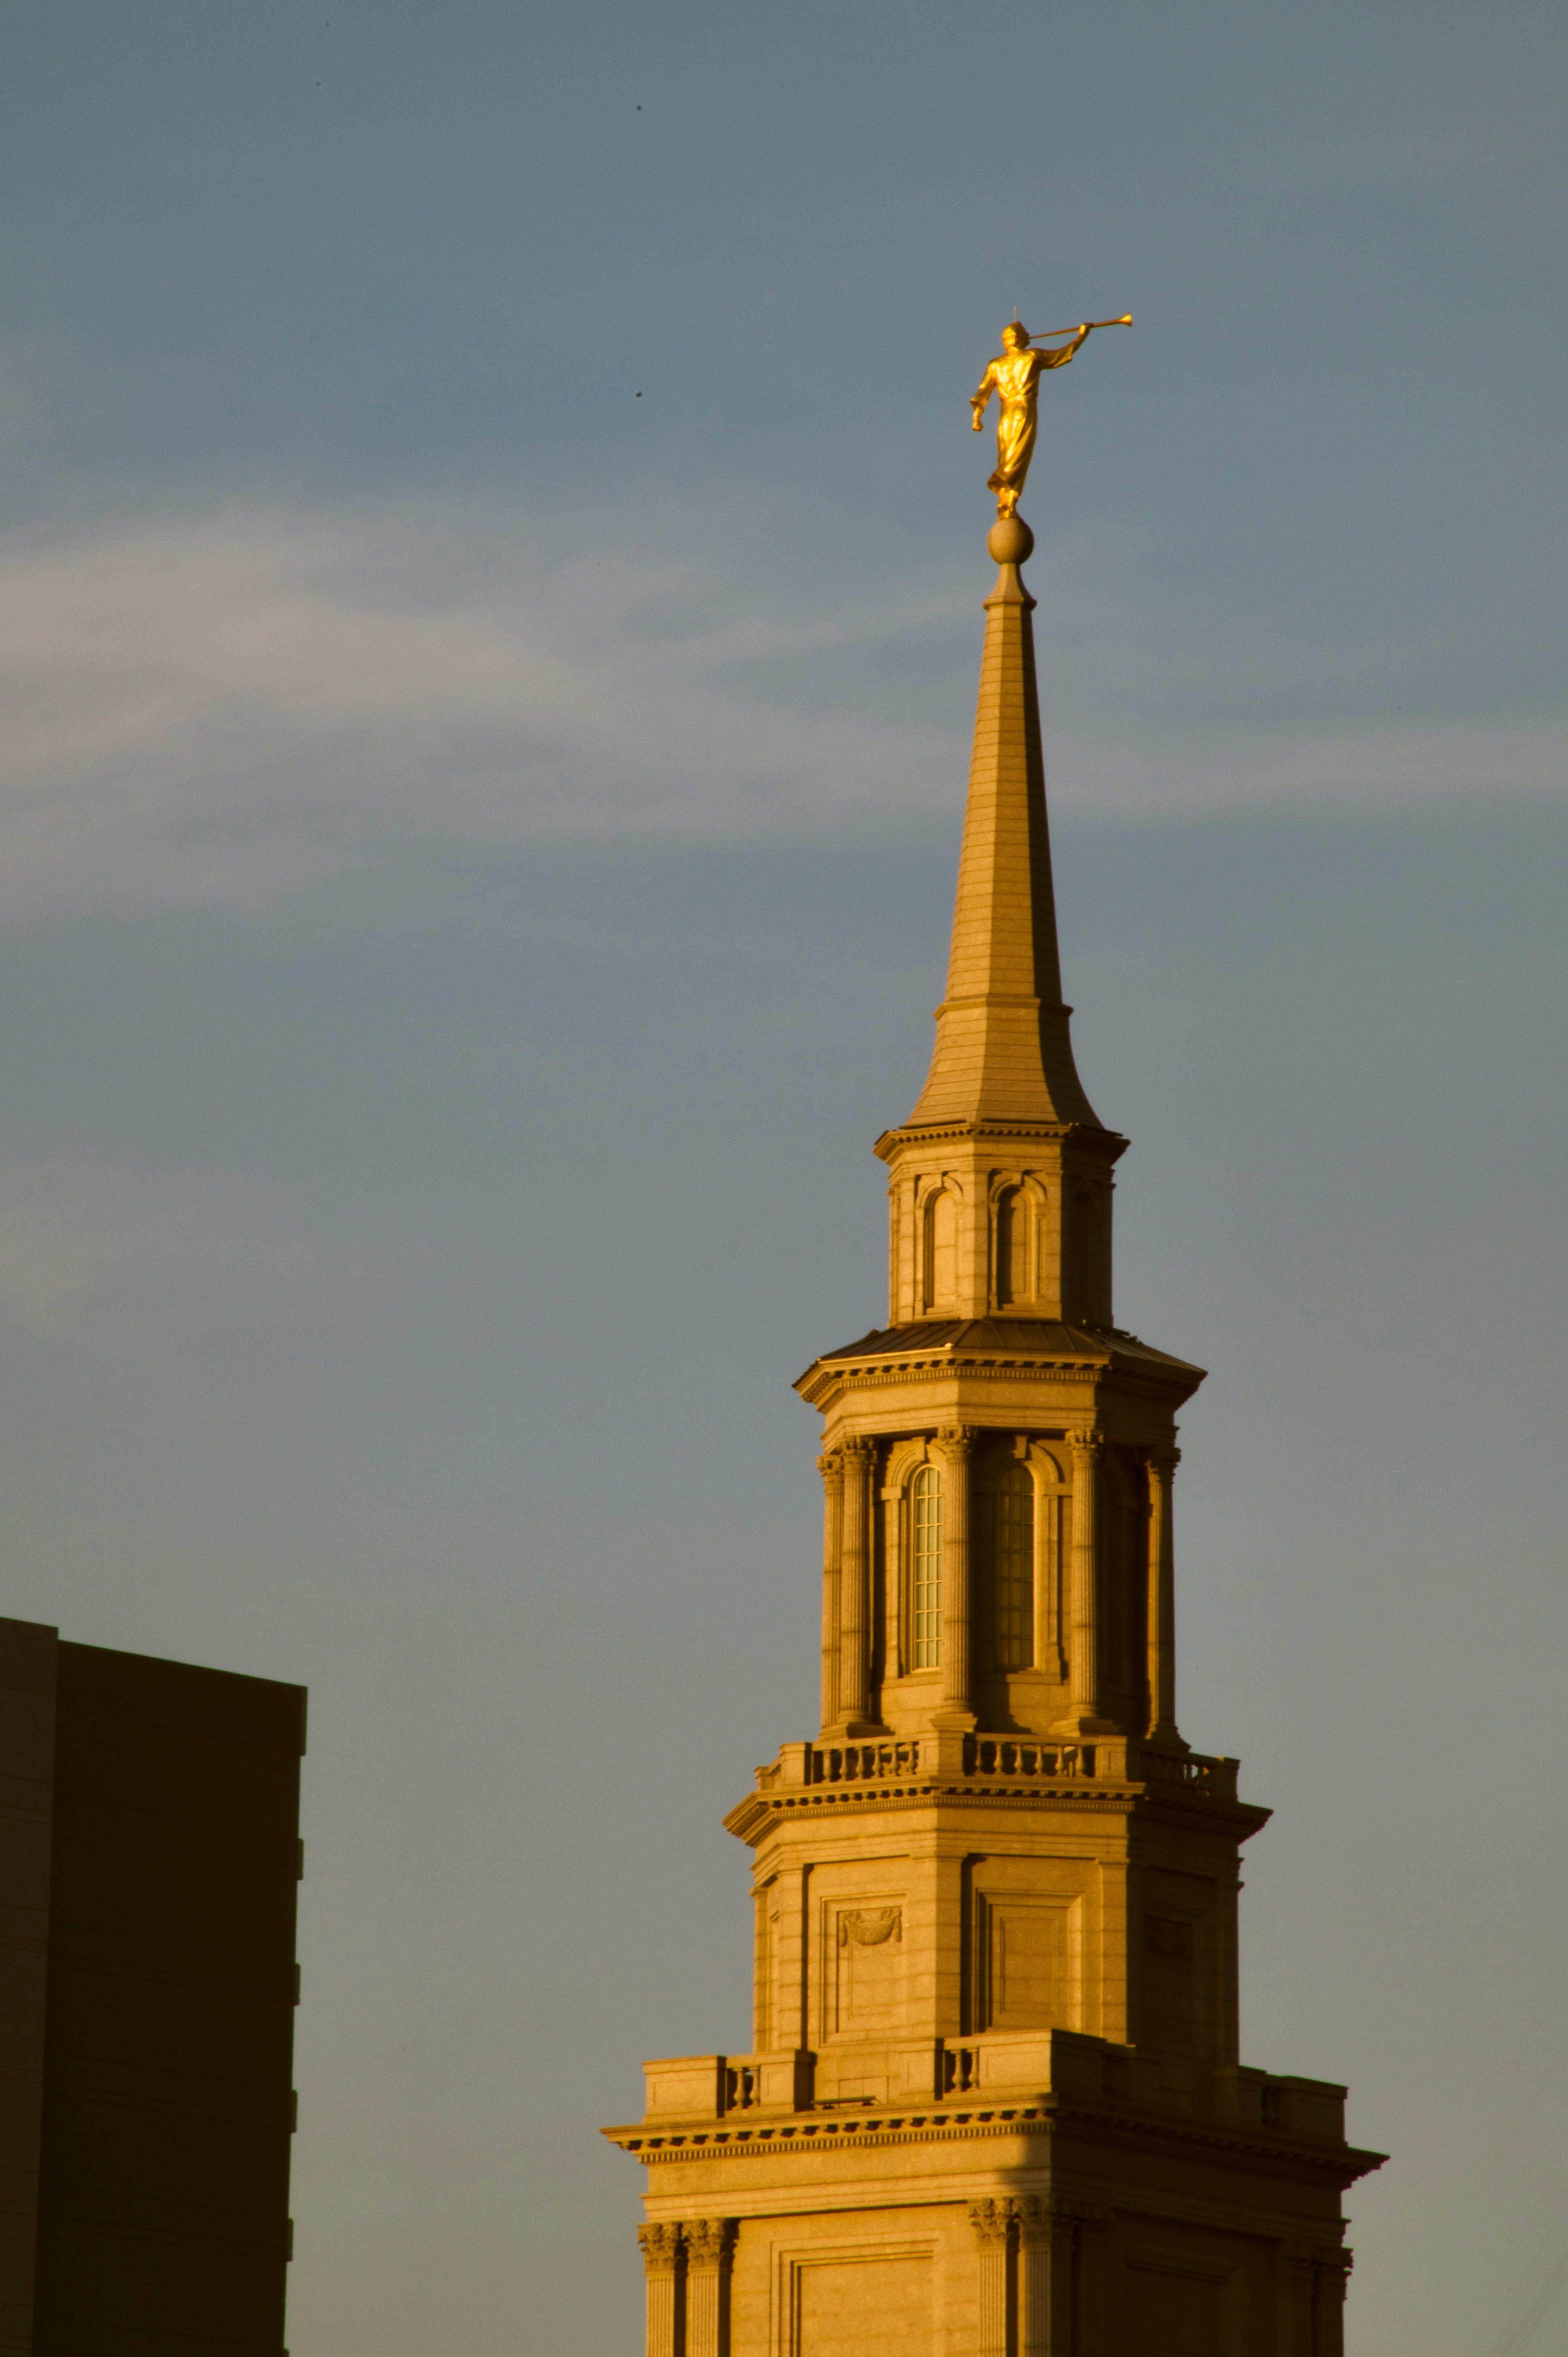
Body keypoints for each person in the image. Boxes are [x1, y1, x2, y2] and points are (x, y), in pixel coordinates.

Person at [970, 319, 1092, 517]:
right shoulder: (1032, 356)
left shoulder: (996, 364)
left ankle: (1006, 500)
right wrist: (1082, 336)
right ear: (1020, 338)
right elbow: (1062, 355)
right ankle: (1004, 486)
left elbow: (982, 393)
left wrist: (978, 417)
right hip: (1024, 408)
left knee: (1007, 454)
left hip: (1005, 413)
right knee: (1019, 456)